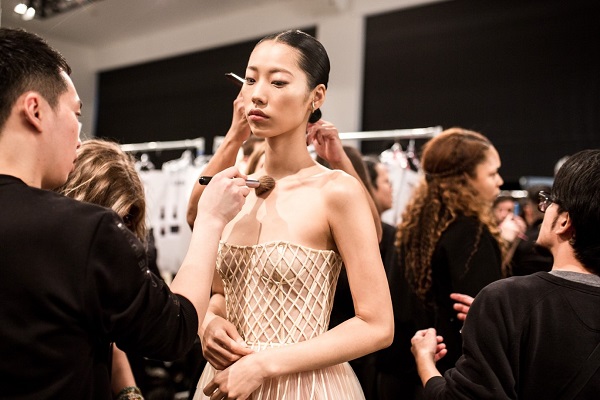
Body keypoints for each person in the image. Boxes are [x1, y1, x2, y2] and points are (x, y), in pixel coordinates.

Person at [0, 27, 250, 398]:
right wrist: (210, 220)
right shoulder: (83, 230)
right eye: (76, 114)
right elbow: (174, 331)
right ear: (35, 110)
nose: (79, 137)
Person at [188, 29, 393, 400]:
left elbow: (377, 325)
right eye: (251, 79)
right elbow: (219, 293)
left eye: (278, 82)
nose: (257, 94)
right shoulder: (236, 190)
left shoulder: (336, 191)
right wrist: (210, 323)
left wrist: (264, 364)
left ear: (317, 96)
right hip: (227, 380)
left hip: (306, 386)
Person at [411, 149, 600, 399]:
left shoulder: (507, 299)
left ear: (565, 221)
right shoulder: (511, 304)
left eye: (549, 202)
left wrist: (425, 362)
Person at [390, 128, 506, 399]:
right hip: (449, 376)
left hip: (405, 369)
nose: (500, 181)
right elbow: (483, 316)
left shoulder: (414, 227)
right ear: (465, 179)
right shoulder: (470, 234)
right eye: (492, 174)